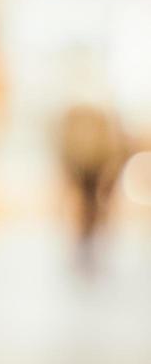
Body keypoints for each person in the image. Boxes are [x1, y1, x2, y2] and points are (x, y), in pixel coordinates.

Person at [57, 100, 125, 269]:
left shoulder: (98, 121)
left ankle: (91, 238)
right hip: (85, 164)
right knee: (89, 204)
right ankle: (86, 238)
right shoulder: (83, 119)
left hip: (95, 164)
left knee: (93, 204)